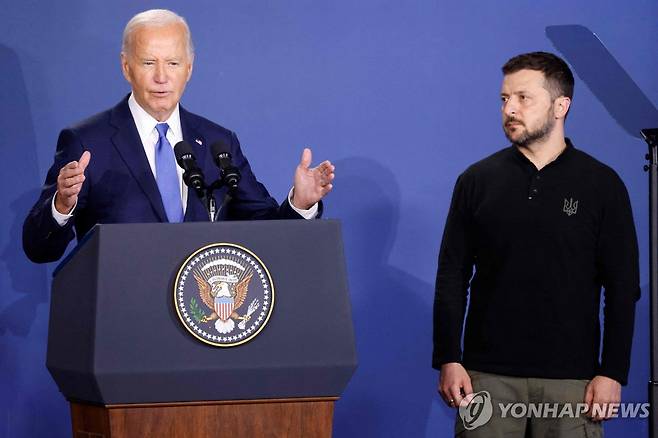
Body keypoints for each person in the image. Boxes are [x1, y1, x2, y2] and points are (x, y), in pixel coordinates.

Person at [433, 52, 640, 437]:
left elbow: (622, 288)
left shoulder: (602, 185)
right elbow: (452, 275)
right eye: (504, 99)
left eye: (523, 98)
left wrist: (612, 370)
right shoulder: (476, 180)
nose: (510, 108)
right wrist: (448, 357)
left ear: (561, 105)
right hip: (487, 378)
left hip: (572, 382)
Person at [23, 9, 334, 264]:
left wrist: (299, 204)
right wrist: (62, 205)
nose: (161, 77)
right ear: (126, 67)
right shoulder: (87, 141)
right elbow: (39, 249)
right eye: (148, 63)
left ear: (189, 67)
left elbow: (266, 230)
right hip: (121, 320)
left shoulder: (217, 142)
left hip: (203, 318)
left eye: (172, 63)